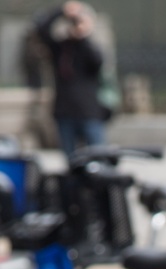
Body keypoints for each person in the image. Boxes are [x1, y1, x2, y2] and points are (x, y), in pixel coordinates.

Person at [36, 1, 109, 156]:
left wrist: (84, 35)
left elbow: (98, 61)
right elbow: (42, 30)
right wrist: (62, 11)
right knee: (71, 162)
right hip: (65, 112)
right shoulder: (61, 49)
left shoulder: (90, 47)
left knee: (99, 157)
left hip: (89, 112)